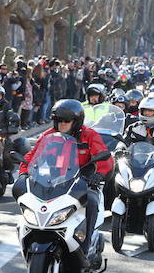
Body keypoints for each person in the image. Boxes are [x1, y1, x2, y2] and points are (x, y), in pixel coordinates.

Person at [17, 100, 112, 256]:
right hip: (53, 180)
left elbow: (106, 159)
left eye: (66, 121)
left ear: (76, 121)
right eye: (59, 120)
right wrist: (23, 173)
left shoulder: (89, 135)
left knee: (93, 200)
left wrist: (99, 174)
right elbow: (31, 156)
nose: (62, 124)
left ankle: (85, 246)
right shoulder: (49, 135)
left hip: (82, 181)